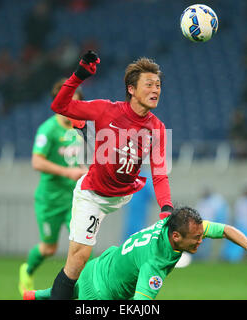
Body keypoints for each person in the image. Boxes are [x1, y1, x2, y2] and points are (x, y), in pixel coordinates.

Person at [48, 50, 174, 299]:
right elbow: (59, 106)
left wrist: (166, 208)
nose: (155, 90)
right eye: (149, 84)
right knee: (78, 261)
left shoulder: (157, 127)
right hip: (93, 195)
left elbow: (160, 174)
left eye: (158, 85)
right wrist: (79, 75)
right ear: (131, 89)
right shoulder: (106, 110)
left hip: (124, 194)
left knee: (133, 264)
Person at [23, 206, 247, 300]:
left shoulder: (173, 225)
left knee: (50, 295)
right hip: (101, 295)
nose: (202, 241)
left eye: (202, 235)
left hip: (97, 267)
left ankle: (30, 296)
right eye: (197, 239)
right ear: (176, 237)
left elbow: (224, 230)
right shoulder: (154, 264)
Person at [18, 79, 88, 296]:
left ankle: (83, 291)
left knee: (84, 248)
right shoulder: (47, 130)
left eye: (76, 103)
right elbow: (36, 162)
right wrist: (68, 173)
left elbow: (78, 160)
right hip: (50, 200)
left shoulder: (79, 129)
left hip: (74, 200)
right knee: (49, 248)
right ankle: (27, 270)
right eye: (68, 102)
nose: (72, 107)